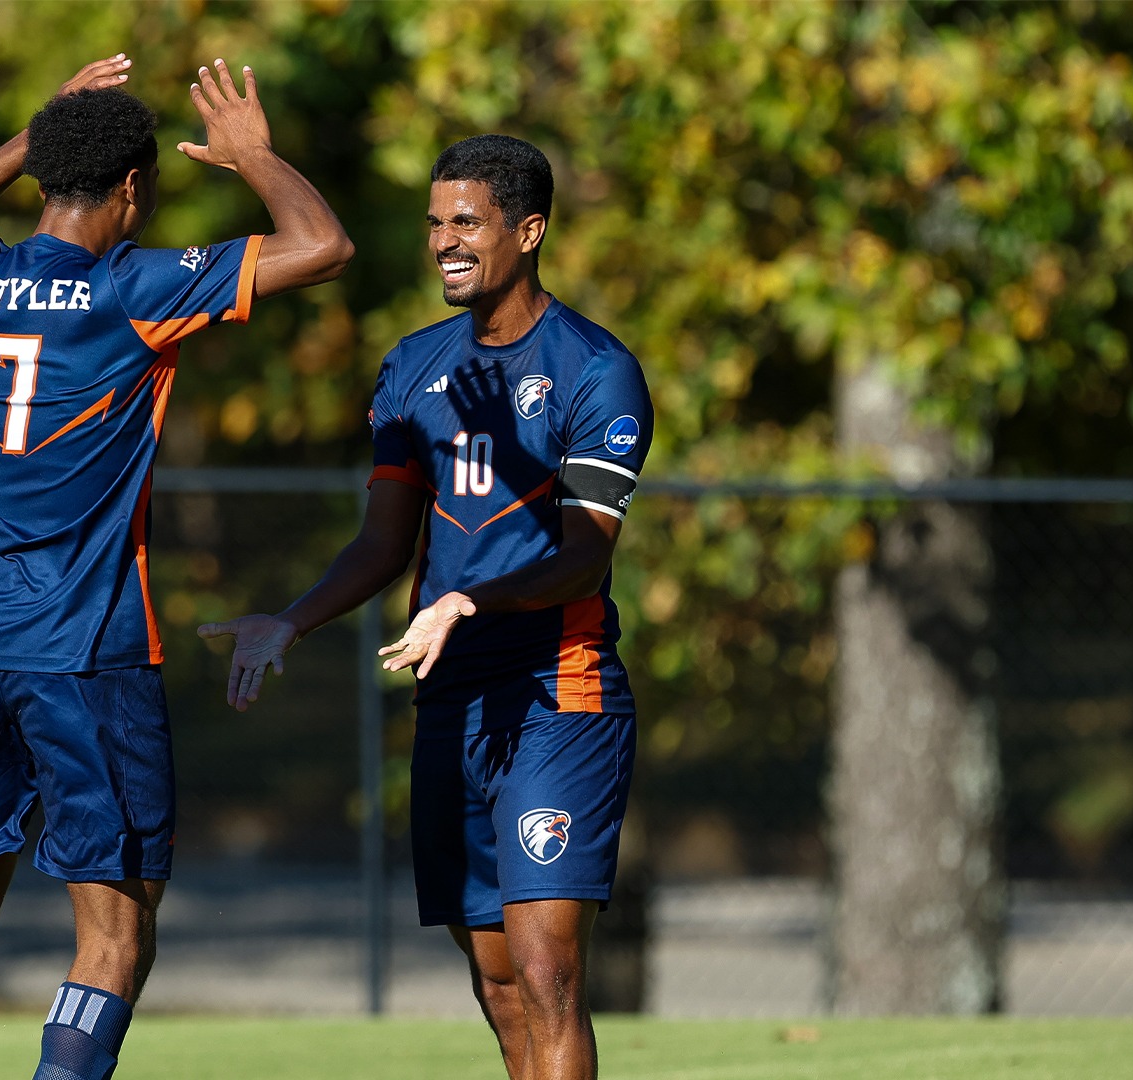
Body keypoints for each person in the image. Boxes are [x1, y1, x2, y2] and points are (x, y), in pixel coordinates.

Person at [0, 54, 350, 1080]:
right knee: (115, 937)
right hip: (87, 652)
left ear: (44, 175)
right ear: (134, 189)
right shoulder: (129, 291)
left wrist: (33, 133)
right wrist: (254, 156)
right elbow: (322, 245)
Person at [200, 134, 651, 1080]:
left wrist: (466, 605)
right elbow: (381, 544)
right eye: (436, 221)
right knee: (494, 981)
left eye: (468, 222)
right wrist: (293, 617)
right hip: (450, 703)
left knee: (546, 970)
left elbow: (582, 560)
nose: (445, 240)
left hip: (555, 694)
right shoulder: (411, 367)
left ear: (527, 232)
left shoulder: (595, 370)